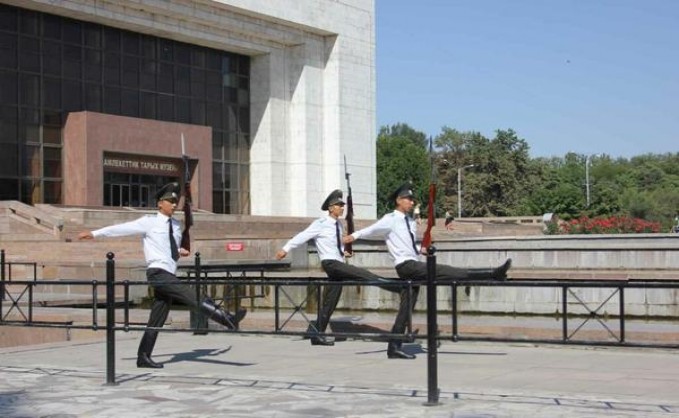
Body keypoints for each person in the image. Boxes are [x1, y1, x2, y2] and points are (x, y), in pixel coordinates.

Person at [78, 182, 246, 368]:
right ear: (160, 203)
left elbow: (168, 247)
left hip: (169, 272)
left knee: (157, 318)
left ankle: (143, 356)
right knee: (192, 295)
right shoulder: (149, 222)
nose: (173, 205)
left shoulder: (176, 225)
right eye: (170, 201)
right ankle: (226, 318)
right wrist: (95, 233)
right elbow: (121, 228)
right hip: (158, 273)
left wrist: (180, 250)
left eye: (175, 202)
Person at [344, 183, 511, 360]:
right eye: (408, 199)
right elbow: (371, 230)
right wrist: (352, 237)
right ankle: (492, 274)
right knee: (443, 271)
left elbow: (407, 244)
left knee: (406, 308)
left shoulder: (409, 222)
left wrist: (420, 249)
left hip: (412, 261)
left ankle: (393, 347)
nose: (411, 202)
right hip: (406, 266)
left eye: (412, 199)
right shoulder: (390, 219)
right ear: (399, 200)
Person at [275, 189, 398, 346]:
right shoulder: (320, 223)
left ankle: (316, 334)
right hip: (330, 263)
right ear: (331, 208)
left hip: (337, 263)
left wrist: (344, 250)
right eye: (339, 205)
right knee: (361, 273)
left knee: (330, 302)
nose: (342, 208)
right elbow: (302, 236)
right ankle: (392, 286)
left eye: (342, 205)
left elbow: (336, 244)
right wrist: (285, 249)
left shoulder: (339, 225)